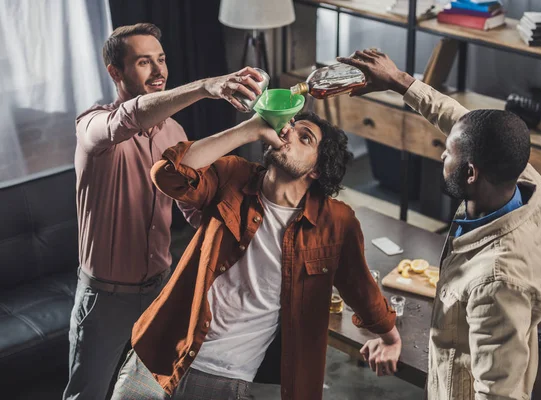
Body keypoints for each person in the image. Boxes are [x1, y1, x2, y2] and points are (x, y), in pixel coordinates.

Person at [110, 110, 402, 400]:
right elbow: (167, 174)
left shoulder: (336, 222)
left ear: (316, 169)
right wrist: (248, 129)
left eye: (305, 138)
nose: (287, 133)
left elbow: (361, 288)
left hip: (226, 374)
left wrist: (390, 338)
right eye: (289, 126)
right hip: (160, 349)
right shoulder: (234, 175)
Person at [64, 22, 264, 400]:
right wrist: (207, 87)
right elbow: (131, 116)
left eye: (161, 60)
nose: (159, 72)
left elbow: (189, 207)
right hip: (105, 299)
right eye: (144, 62)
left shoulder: (174, 133)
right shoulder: (92, 126)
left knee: (152, 390)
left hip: (161, 288)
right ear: (115, 72)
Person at [339, 49, 541, 400]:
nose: (441, 155)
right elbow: (464, 123)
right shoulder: (522, 180)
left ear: (471, 172)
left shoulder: (497, 284)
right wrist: (400, 82)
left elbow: (500, 393)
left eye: (449, 152)